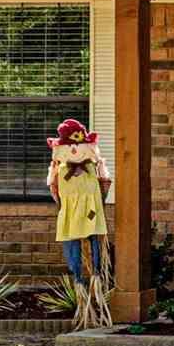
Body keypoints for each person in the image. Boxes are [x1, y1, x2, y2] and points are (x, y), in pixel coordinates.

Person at [47, 119, 113, 289]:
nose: (74, 150)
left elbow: (54, 190)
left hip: (89, 209)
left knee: (90, 237)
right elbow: (105, 183)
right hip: (75, 211)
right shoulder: (61, 168)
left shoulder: (91, 166)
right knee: (79, 238)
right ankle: (80, 278)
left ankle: (96, 275)